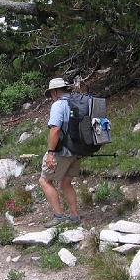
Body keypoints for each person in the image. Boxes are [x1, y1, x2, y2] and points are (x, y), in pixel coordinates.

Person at [39, 77, 81, 227]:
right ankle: (74, 216)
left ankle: (59, 216)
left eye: (51, 93)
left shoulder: (58, 105)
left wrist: (50, 153)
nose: (51, 97)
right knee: (65, 182)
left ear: (55, 92)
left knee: (44, 181)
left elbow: (55, 129)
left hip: (62, 151)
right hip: (78, 150)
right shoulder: (77, 102)